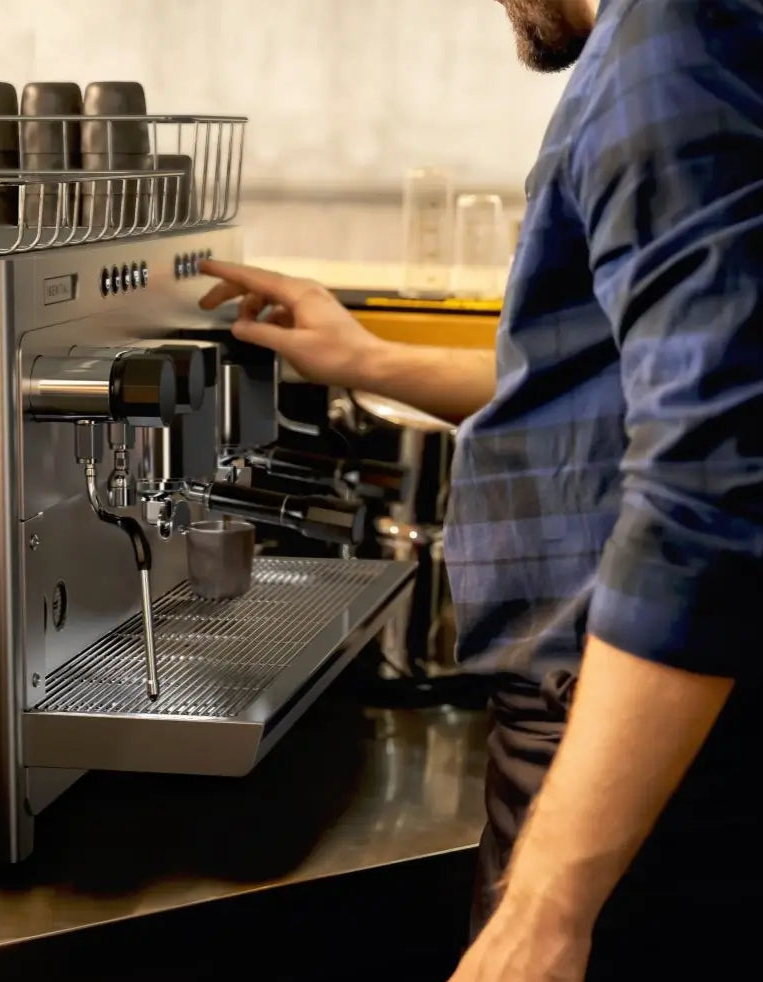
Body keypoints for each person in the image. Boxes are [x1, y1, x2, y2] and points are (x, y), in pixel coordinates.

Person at [199, 0, 763, 978]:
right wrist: (368, 357)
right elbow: (630, 387)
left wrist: (548, 905)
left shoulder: (671, 45)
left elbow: (709, 477)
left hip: (627, 727)